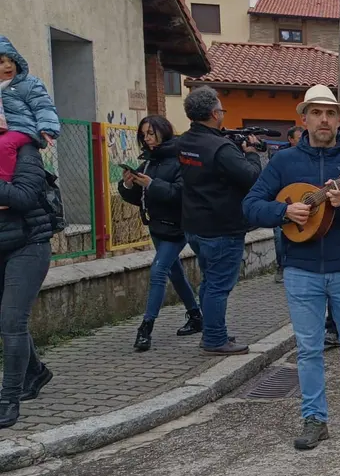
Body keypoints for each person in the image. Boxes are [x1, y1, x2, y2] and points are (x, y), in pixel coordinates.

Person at [242, 85, 340, 450]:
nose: (323, 119)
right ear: (303, 118)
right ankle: (315, 418)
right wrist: (283, 211)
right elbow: (251, 205)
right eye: (316, 113)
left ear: (339, 119)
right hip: (301, 268)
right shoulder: (284, 162)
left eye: (330, 113)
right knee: (308, 348)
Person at [177, 86, 262, 355]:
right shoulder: (221, 147)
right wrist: (251, 153)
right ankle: (214, 339)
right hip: (221, 227)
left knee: (209, 281)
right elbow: (251, 177)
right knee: (218, 285)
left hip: (194, 225)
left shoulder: (185, 141)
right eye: (221, 109)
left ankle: (214, 331)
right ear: (215, 114)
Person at [119, 116, 201, 352]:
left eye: (151, 133)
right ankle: (196, 315)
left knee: (158, 271)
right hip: (156, 226)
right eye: (143, 134)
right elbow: (140, 198)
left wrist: (151, 184)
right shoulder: (148, 161)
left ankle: (146, 328)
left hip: (177, 227)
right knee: (175, 273)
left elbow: (181, 193)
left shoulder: (180, 158)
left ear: (164, 132)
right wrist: (128, 185)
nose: (147, 138)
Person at [0, 140, 57, 429]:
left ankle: (8, 399)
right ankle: (35, 372)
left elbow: (23, 197)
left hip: (28, 246)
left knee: (12, 320)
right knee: (5, 320)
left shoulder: (25, 151)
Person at [0, 37, 59, 183]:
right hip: (4, 129)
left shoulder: (28, 84)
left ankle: (5, 184)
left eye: (11, 60)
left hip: (23, 128)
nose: (8, 65)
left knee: (4, 144)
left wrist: (47, 128)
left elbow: (43, 106)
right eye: (1, 62)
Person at [272, 126, 304, 283]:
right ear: (291, 139)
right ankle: (281, 267)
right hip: (282, 205)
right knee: (279, 240)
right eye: (299, 139)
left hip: (301, 205)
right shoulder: (280, 158)